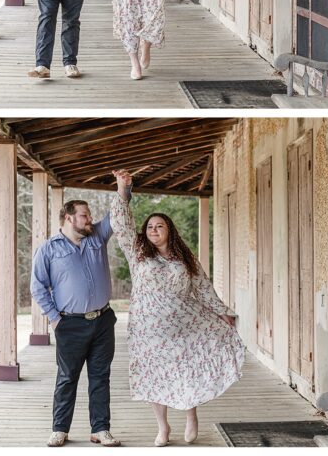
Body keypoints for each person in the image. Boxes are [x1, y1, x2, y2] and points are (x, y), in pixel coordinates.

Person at [110, 169, 245, 446]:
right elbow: (122, 224)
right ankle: (162, 428)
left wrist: (221, 311)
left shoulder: (185, 257)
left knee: (185, 371)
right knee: (154, 376)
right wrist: (123, 189)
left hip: (184, 325)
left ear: (169, 229)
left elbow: (203, 286)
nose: (153, 230)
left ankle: (191, 415)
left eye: (159, 226)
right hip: (147, 330)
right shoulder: (137, 252)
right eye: (149, 227)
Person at [30, 198, 122, 447]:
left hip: (103, 321)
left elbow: (117, 212)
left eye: (89, 215)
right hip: (69, 324)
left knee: (100, 377)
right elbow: (37, 287)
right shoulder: (48, 249)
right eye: (84, 215)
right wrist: (55, 319)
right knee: (68, 377)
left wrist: (124, 189)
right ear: (69, 218)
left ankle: (101, 429)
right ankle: (60, 428)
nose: (90, 219)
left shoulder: (97, 237)